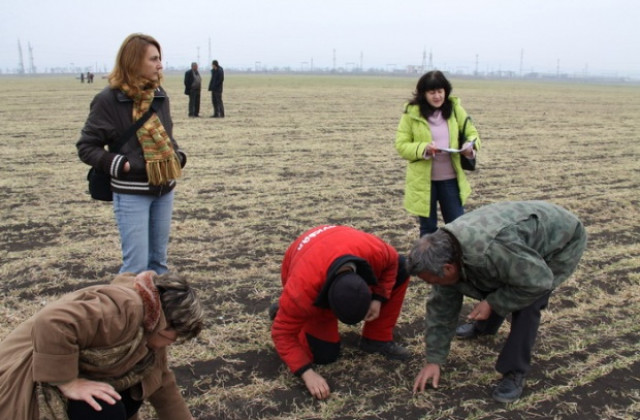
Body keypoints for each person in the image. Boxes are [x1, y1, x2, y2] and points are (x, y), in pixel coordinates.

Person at [407, 200, 587, 403]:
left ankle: (514, 371)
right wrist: (434, 360)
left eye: (434, 280)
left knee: (528, 302)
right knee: (489, 277)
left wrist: (493, 302)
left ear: (448, 268)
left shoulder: (489, 251)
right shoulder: (447, 254)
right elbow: (441, 307)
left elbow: (537, 281)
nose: (434, 284)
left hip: (561, 240)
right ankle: (484, 327)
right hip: (514, 245)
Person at [0, 270, 204, 420]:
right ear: (166, 325)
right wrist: (69, 382)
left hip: (50, 369)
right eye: (172, 339)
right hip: (22, 378)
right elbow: (52, 322)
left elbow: (161, 382)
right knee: (104, 408)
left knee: (131, 391)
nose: (168, 345)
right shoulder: (125, 309)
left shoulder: (150, 328)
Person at [77, 33, 186, 275]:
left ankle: (156, 312)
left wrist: (177, 155)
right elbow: (86, 146)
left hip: (164, 188)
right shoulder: (108, 100)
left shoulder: (159, 94)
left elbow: (166, 134)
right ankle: (129, 311)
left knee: (159, 265)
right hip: (132, 192)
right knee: (135, 268)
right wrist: (121, 164)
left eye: (160, 58)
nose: (160, 65)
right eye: (154, 59)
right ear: (134, 61)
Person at [270, 225, 411, 400]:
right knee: (324, 355)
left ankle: (376, 339)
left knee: (403, 268)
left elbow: (394, 263)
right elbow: (281, 333)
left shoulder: (374, 252)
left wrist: (378, 297)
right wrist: (306, 372)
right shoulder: (302, 292)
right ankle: (283, 312)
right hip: (302, 263)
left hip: (339, 243)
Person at [395, 70, 481, 238]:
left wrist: (468, 146)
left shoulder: (456, 110)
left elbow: (473, 134)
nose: (437, 96)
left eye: (440, 91)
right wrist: (423, 148)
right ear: (423, 94)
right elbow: (401, 145)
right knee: (427, 230)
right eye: (432, 92)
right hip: (423, 182)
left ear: (446, 91)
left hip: (450, 180)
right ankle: (428, 263)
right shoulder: (411, 114)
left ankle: (458, 262)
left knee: (457, 227)